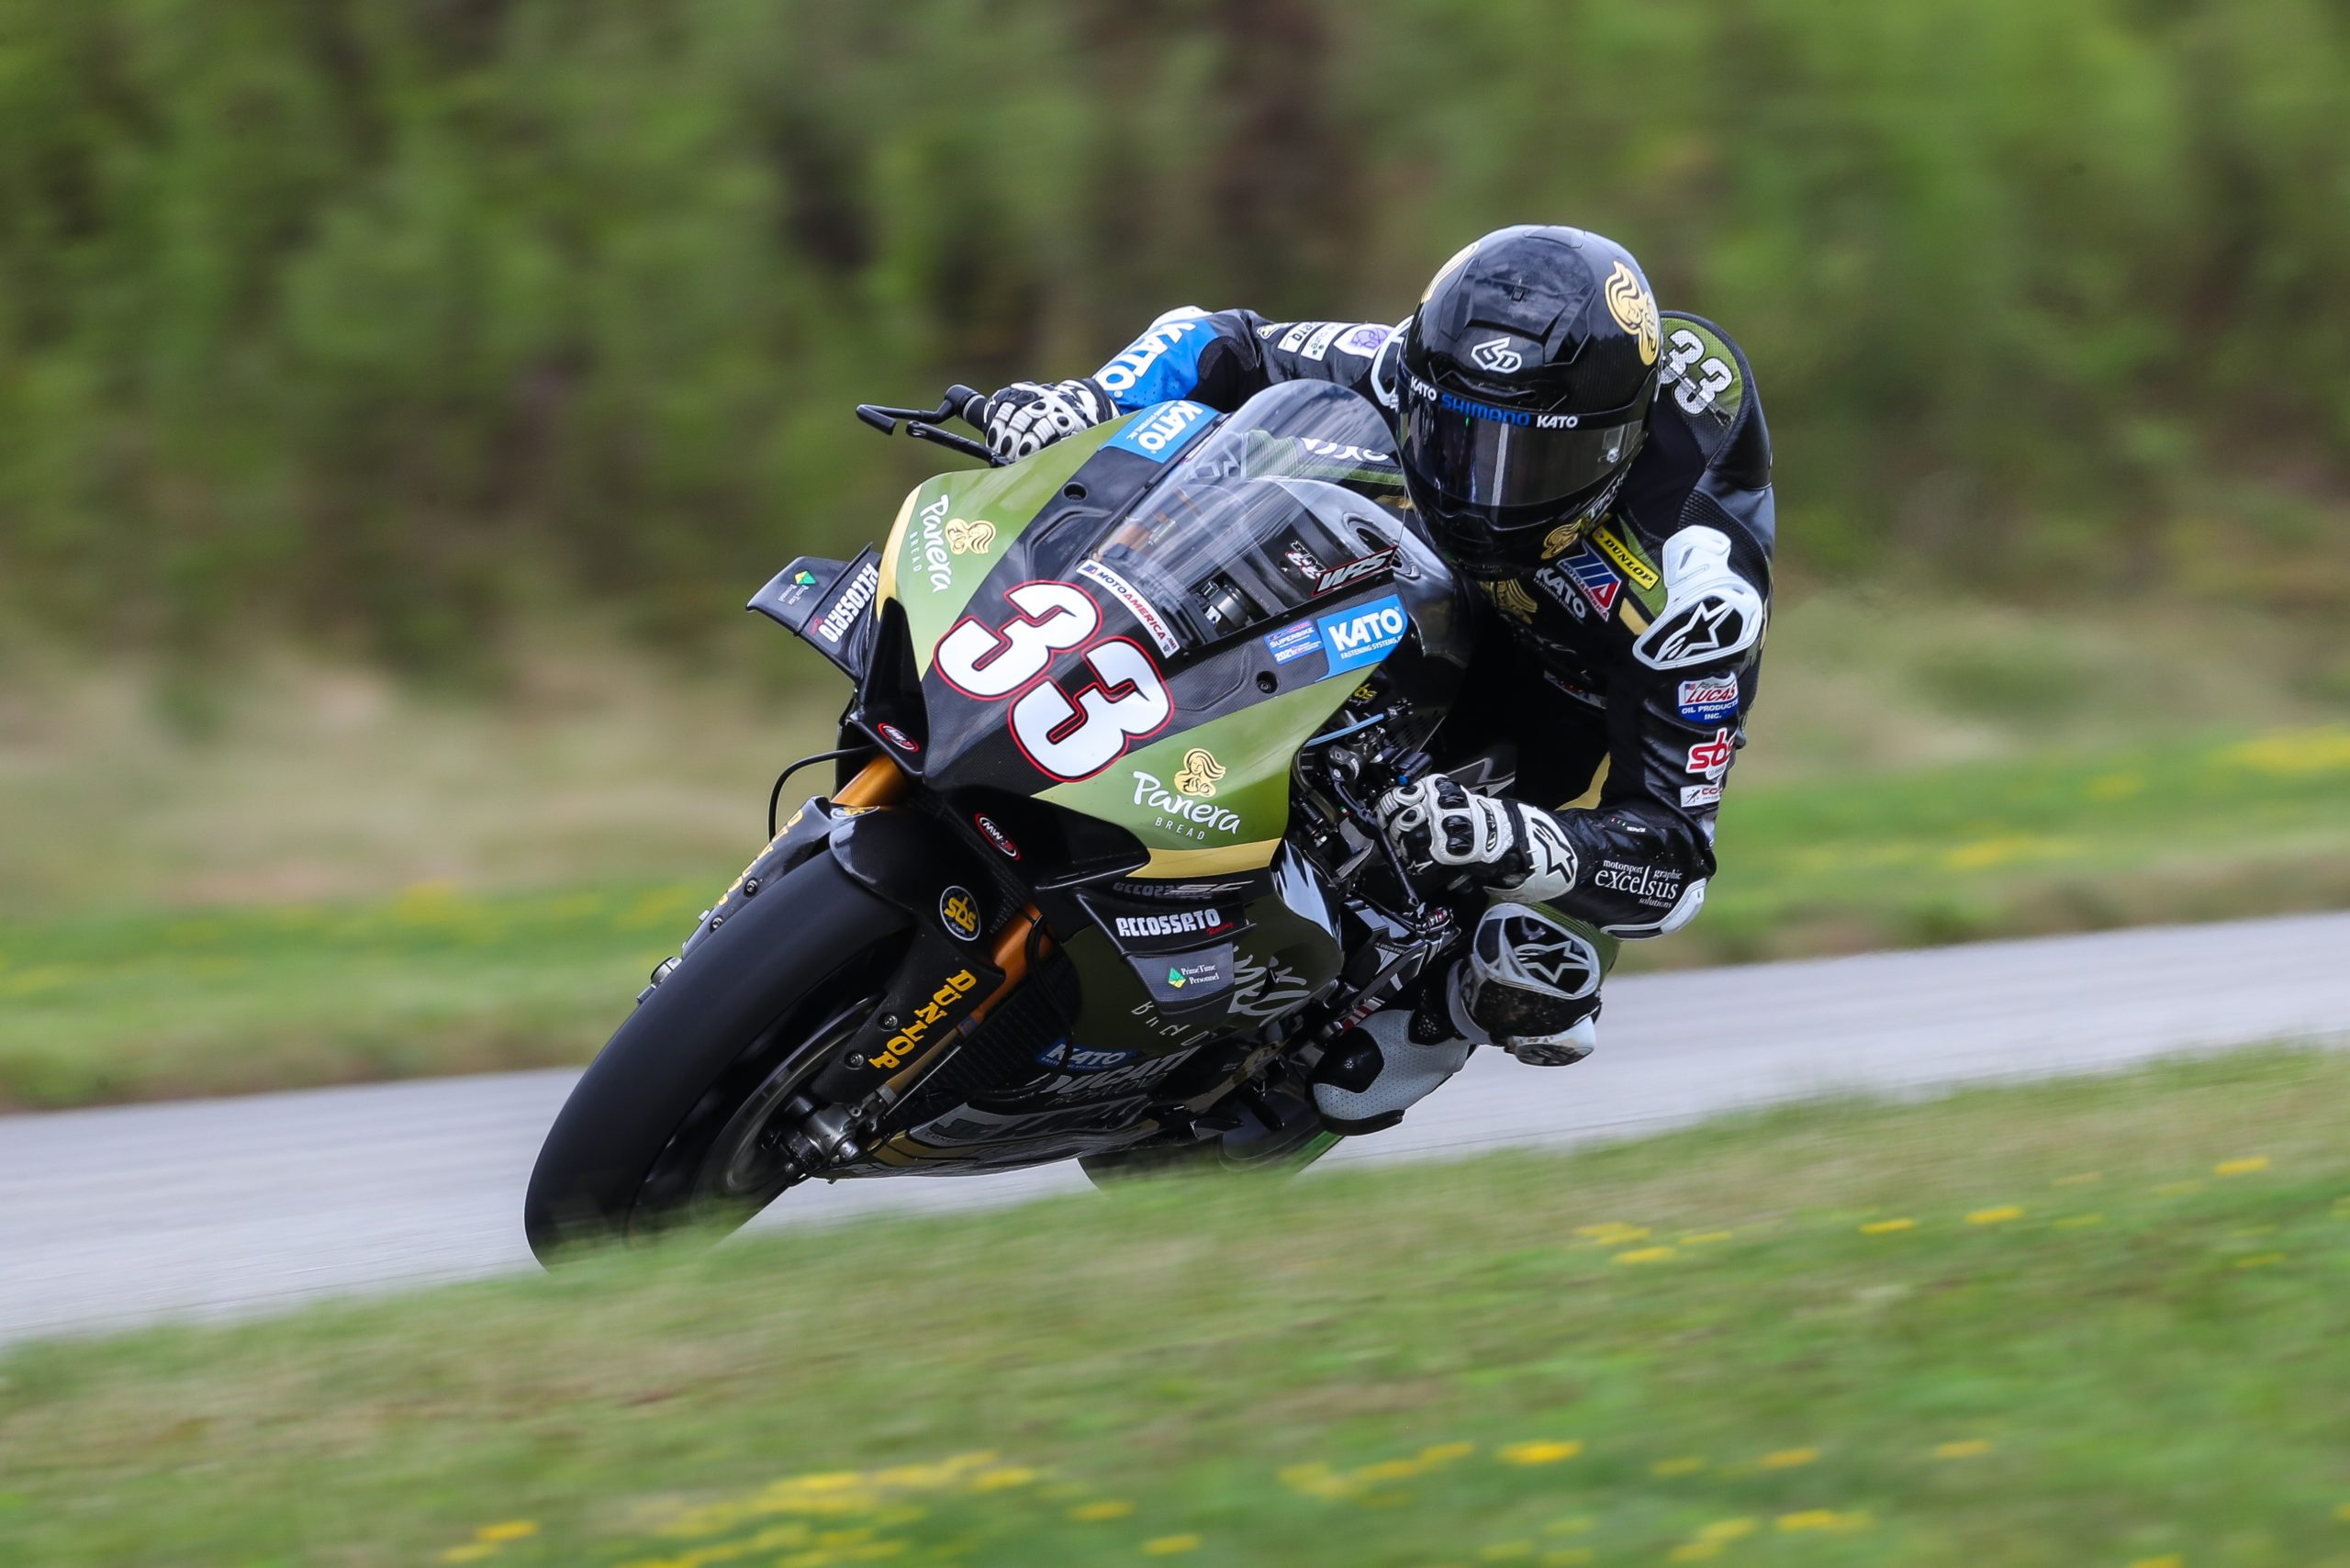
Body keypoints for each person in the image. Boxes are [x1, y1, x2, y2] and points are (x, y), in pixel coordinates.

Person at [972, 225, 1774, 1135]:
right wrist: (1083, 403)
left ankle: (1445, 1009)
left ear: (1610, 452)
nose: (1480, 485)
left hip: (1564, 690)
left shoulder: (1693, 601)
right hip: (1408, 566)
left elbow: (1672, 860)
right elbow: (1217, 339)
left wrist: (1521, 841)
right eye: (1461, 437)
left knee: (1480, 970)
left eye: (1528, 462)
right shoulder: (1407, 365)